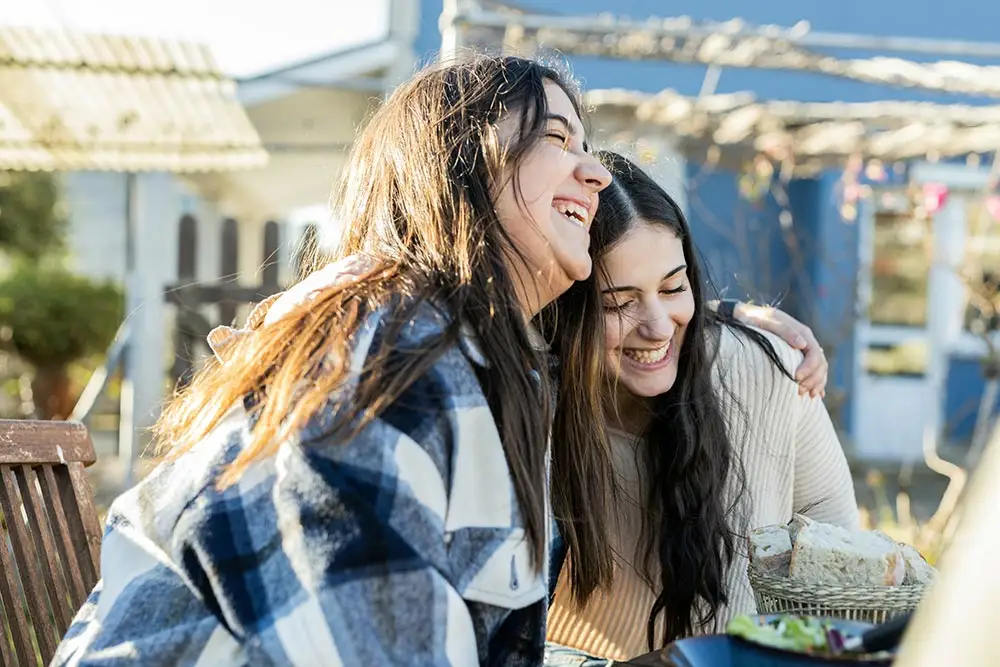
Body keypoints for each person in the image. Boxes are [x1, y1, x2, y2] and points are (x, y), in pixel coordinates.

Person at [53, 54, 614, 667]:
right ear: (457, 166)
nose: (598, 175)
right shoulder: (388, 348)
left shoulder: (462, 358)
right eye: (557, 139)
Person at [544, 152, 859, 662]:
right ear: (563, 307)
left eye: (673, 287)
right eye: (619, 303)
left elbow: (842, 562)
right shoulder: (530, 406)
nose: (658, 326)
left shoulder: (766, 372)